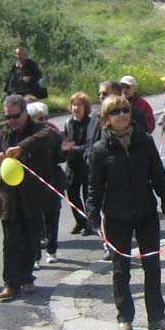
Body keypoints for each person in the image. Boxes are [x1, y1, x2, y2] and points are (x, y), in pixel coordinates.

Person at [87, 94, 165, 330]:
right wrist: (92, 214)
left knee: (152, 266)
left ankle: (157, 316)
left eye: (125, 110)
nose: (121, 115)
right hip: (116, 216)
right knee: (121, 269)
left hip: (146, 212)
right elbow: (95, 188)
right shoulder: (99, 150)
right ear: (106, 119)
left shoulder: (144, 141)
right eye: (115, 112)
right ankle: (124, 317)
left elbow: (158, 175)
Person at [0, 94, 60, 301]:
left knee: (31, 240)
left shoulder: (39, 130)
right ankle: (10, 283)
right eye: (8, 117)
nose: (11, 121)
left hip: (33, 196)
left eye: (15, 116)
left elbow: (50, 137)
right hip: (9, 198)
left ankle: (27, 277)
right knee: (11, 241)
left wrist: (22, 147)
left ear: (24, 113)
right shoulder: (1, 135)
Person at [27, 101, 71, 264]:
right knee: (36, 222)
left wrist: (64, 151)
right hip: (33, 184)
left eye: (45, 117)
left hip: (52, 181)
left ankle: (51, 251)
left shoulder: (53, 134)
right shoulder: (27, 137)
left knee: (52, 217)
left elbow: (59, 158)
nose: (44, 121)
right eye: (40, 118)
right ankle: (36, 257)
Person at [64, 91, 94, 235]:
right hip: (72, 165)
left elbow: (90, 145)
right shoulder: (68, 123)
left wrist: (73, 148)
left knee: (87, 195)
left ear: (85, 107)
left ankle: (90, 223)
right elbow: (65, 143)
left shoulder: (90, 123)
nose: (76, 108)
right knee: (72, 194)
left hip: (86, 165)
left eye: (79, 105)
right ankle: (81, 221)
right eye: (74, 105)